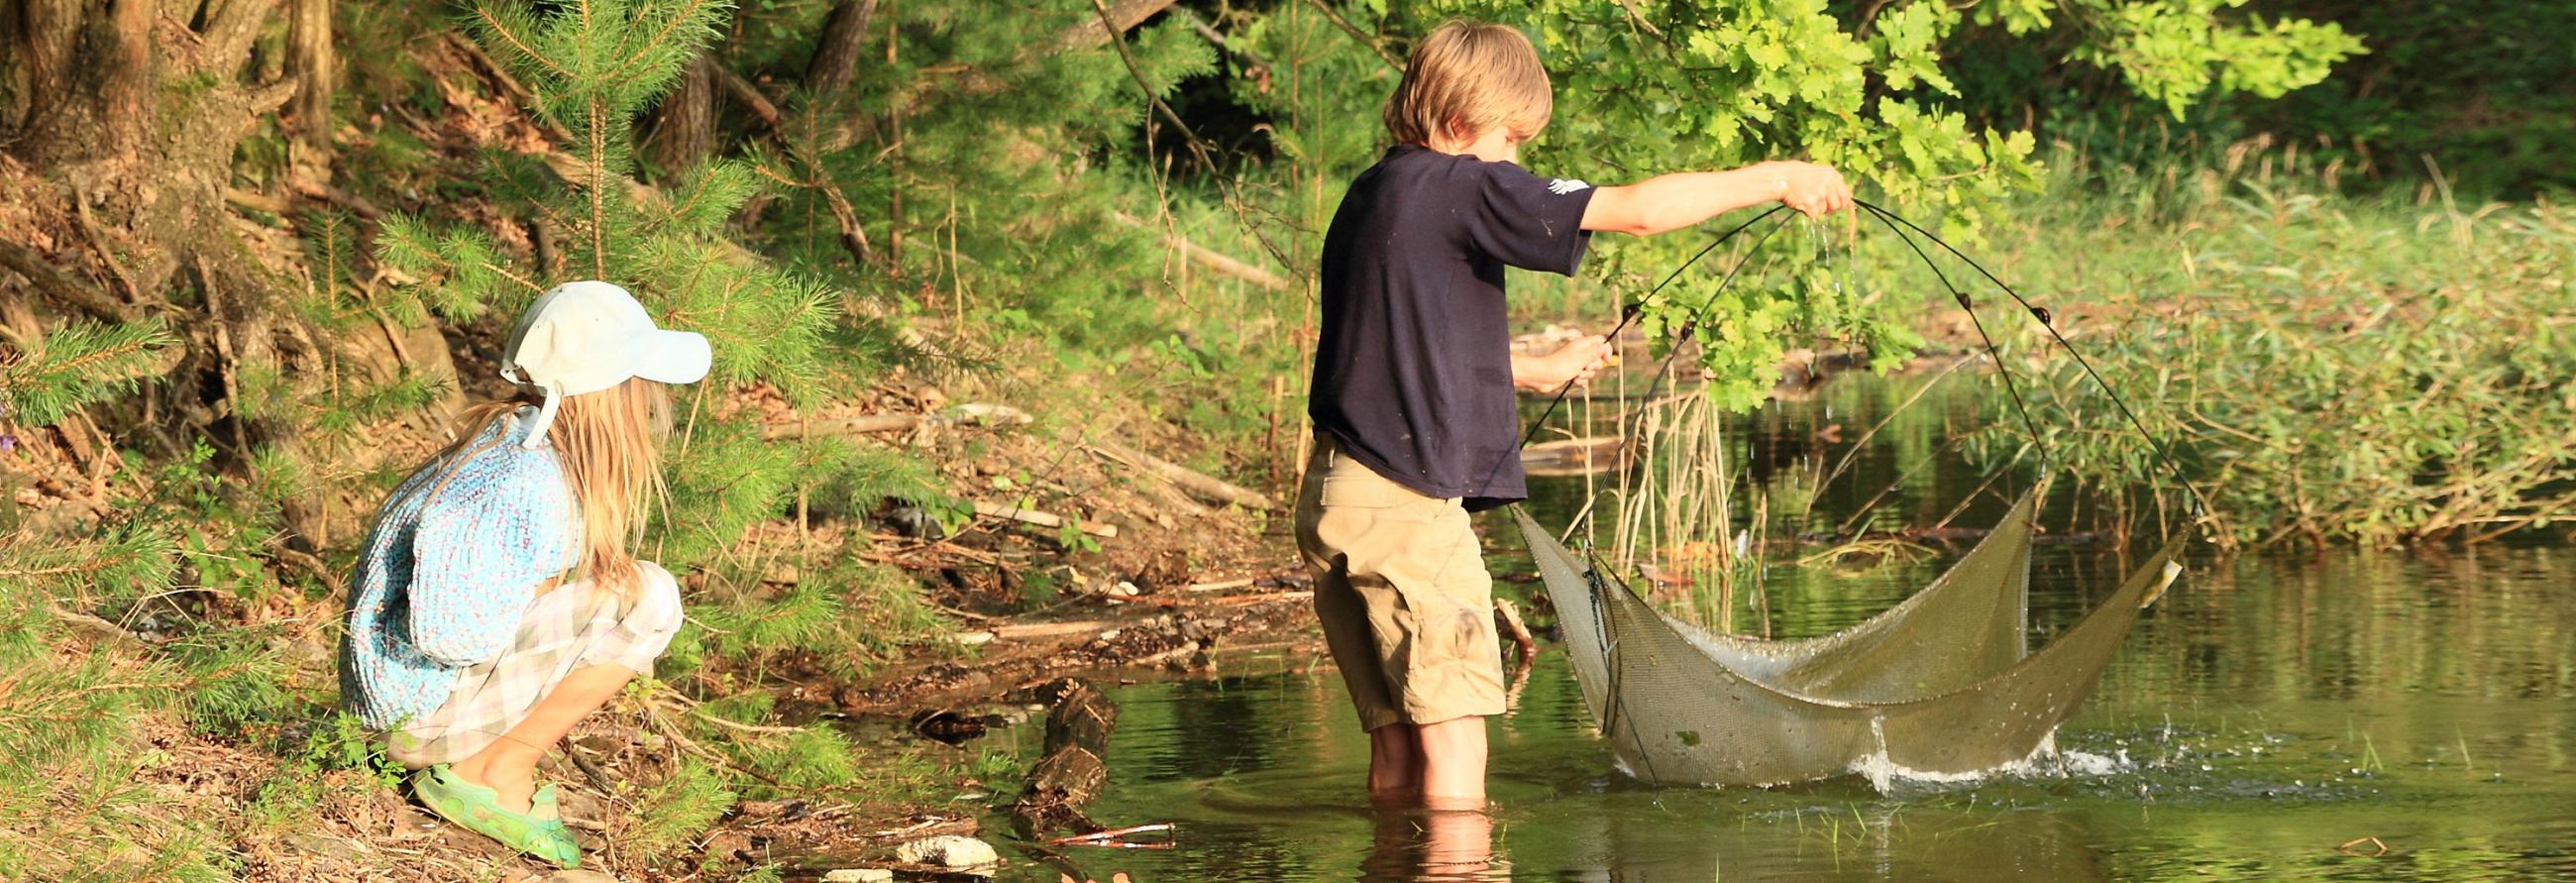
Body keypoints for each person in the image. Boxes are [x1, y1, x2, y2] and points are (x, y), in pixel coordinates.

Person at [1295, 20, 1855, 812]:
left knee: (1396, 745)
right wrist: (1777, 176)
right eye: (1510, 137)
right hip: (1407, 508)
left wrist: (1529, 370)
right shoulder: (1464, 182)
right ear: (1461, 121)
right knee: (1455, 738)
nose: (1515, 160)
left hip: (1338, 496)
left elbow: (1392, 351)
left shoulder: (1373, 192)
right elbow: (1636, 211)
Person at [338, 279, 710, 867]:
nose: (653, 403)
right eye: (644, 387)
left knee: (617, 588)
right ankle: (491, 769)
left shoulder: (512, 445)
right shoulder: (522, 480)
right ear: (612, 394)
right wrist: (534, 599)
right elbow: (446, 630)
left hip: (400, 706)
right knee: (648, 599)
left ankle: (483, 755)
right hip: (411, 714)